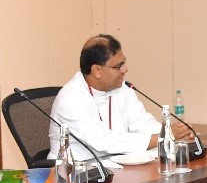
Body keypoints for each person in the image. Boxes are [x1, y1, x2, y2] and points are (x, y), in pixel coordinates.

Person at [50, 34, 179, 161]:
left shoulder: (122, 88)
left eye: (124, 63)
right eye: (118, 66)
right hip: (76, 173)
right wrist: (162, 138)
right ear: (97, 71)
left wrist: (171, 133)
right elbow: (102, 141)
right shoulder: (70, 99)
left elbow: (142, 121)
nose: (125, 69)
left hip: (114, 169)